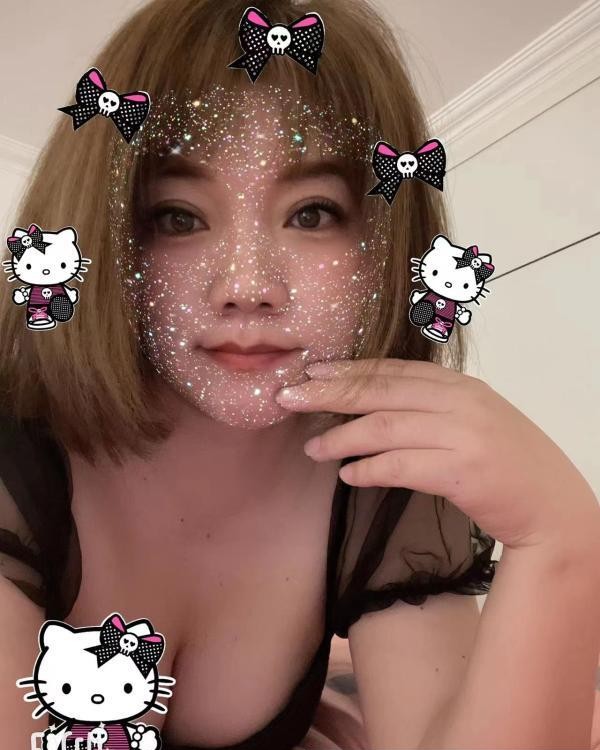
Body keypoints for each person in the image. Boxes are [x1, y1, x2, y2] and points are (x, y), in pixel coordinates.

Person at [7, 1, 597, 749]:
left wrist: (562, 540)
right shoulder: (15, 458)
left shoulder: (385, 484)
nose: (248, 286)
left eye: (313, 214)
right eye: (178, 217)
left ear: (389, 246)